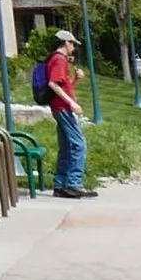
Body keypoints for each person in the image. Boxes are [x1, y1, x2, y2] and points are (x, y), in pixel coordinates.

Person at [45, 26, 98, 200]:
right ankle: (74, 183)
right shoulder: (59, 60)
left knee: (67, 146)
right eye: (73, 44)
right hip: (63, 108)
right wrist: (72, 103)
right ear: (66, 43)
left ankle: (60, 184)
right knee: (78, 144)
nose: (74, 48)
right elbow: (53, 84)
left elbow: (63, 87)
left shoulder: (56, 59)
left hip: (59, 106)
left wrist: (76, 80)